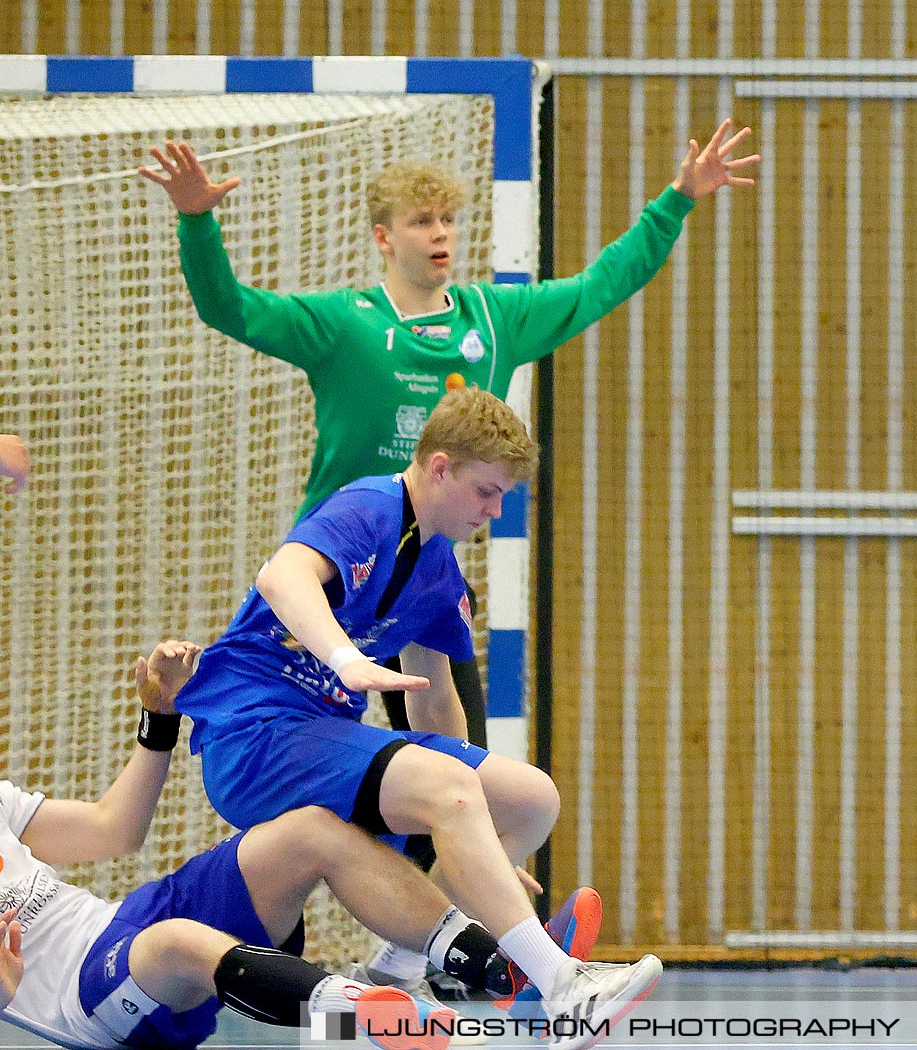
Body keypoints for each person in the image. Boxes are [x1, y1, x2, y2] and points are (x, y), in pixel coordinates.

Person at [140, 120, 759, 750]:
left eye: (447, 219)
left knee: (460, 760)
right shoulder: (341, 325)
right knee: (303, 761)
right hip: (335, 573)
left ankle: (455, 849)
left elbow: (601, 286)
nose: (440, 233)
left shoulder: (495, 320)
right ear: (383, 237)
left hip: (423, 579)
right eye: (421, 221)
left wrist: (676, 199)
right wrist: (197, 221)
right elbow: (229, 308)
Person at [171, 387, 659, 1037]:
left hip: (317, 739)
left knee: (530, 798)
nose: (496, 508)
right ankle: (561, 984)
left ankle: (394, 971)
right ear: (438, 467)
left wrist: (474, 828)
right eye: (487, 490)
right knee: (452, 789)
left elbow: (434, 699)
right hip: (252, 734)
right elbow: (281, 578)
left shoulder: (437, 568)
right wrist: (345, 659)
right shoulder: (369, 505)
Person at [0, 641, 495, 1050]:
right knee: (178, 942)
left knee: (309, 830)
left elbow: (116, 829)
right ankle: (384, 1022)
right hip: (81, 1002)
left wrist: (160, 717)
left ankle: (501, 967)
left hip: (122, 920)